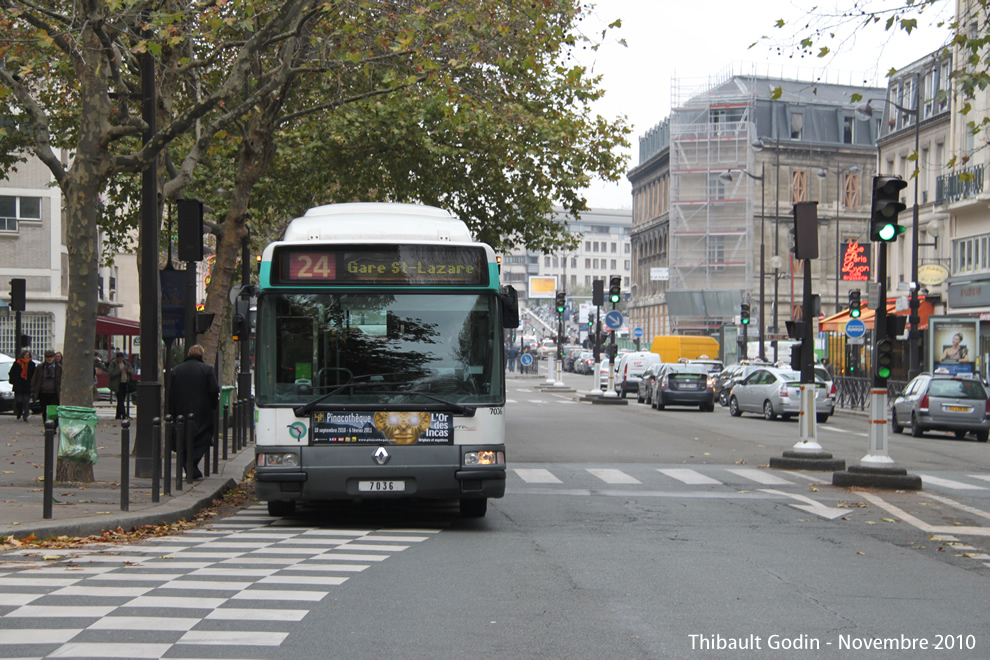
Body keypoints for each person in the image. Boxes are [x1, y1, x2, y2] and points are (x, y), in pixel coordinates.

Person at [169, 344, 220, 480]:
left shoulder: (176, 370)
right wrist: (213, 405)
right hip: (202, 410)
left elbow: (171, 393)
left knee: (183, 438)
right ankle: (191, 464)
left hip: (181, 410)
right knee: (204, 437)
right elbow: (214, 390)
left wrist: (171, 412)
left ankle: (188, 465)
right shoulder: (207, 370)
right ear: (201, 355)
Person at [31, 350, 62, 424]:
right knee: (44, 411)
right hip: (43, 392)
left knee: (53, 411)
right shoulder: (40, 367)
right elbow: (35, 379)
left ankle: (53, 426)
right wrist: (33, 389)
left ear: (54, 358)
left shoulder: (58, 368)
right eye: (47, 357)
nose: (49, 359)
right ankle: (47, 426)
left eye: (51, 357)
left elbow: (62, 380)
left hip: (54, 393)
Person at [7, 349, 36, 422]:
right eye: (25, 355)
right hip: (18, 385)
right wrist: (14, 380)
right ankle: (19, 411)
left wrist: (32, 382)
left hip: (27, 385)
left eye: (28, 355)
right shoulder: (17, 363)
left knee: (26, 401)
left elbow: (34, 374)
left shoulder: (32, 364)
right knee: (18, 401)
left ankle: (25, 415)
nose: (26, 356)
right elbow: (11, 373)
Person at [107, 351, 134, 419]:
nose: (120, 360)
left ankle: (118, 415)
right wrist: (120, 370)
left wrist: (129, 371)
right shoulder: (113, 363)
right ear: (117, 358)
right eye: (119, 359)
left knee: (121, 400)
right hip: (117, 384)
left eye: (121, 358)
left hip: (125, 383)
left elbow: (132, 371)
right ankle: (124, 414)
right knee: (120, 399)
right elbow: (111, 374)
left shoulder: (125, 363)